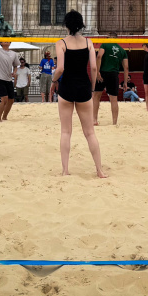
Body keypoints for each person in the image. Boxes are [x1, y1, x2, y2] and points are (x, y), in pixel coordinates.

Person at [52, 10, 106, 178]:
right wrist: (90, 87)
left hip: (67, 87)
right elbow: (94, 68)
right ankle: (99, 170)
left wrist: (54, 81)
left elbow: (60, 68)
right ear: (81, 24)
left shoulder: (61, 43)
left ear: (66, 25)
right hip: (83, 87)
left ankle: (65, 170)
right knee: (90, 132)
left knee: (66, 132)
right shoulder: (88, 42)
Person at [92, 36, 129, 126]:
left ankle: (94, 120)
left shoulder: (104, 44)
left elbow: (99, 56)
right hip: (113, 74)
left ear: (109, 38)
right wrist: (125, 82)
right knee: (113, 99)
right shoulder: (122, 50)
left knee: (96, 96)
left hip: (102, 73)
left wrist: (97, 72)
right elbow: (126, 67)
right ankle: (114, 122)